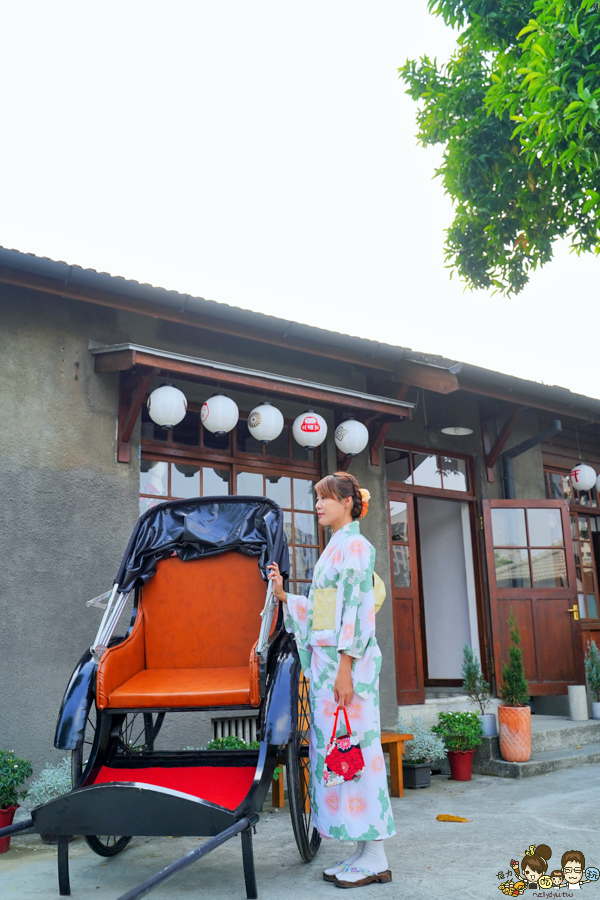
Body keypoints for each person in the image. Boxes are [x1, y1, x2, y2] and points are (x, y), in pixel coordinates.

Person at [268, 472, 396, 889]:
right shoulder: (336, 548)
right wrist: (287, 597)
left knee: (355, 752)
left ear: (347, 503)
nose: (318, 505)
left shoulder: (356, 547)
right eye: (317, 498)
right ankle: (363, 851)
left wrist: (345, 667)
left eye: (326, 498)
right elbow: (324, 611)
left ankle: (376, 855)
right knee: (340, 755)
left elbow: (358, 611)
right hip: (330, 668)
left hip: (346, 670)